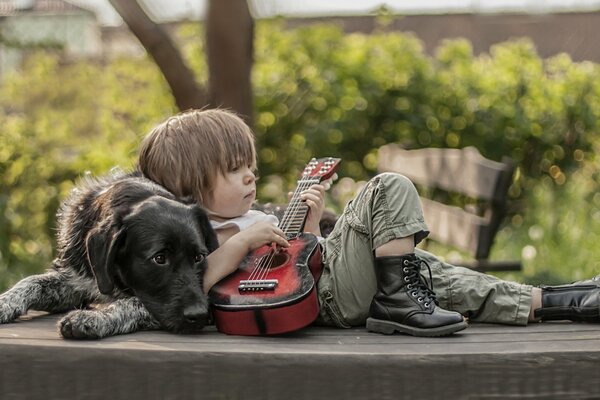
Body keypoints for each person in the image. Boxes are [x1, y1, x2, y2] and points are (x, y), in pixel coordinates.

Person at [137, 108, 600, 337]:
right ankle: (400, 301)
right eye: (234, 169)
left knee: (430, 272)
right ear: (191, 187)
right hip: (329, 300)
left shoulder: (250, 215)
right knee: (387, 188)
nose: (250, 174)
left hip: (320, 292)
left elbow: (296, 266)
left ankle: (563, 300)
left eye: (249, 164)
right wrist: (242, 243)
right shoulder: (198, 234)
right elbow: (192, 286)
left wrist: (311, 231)